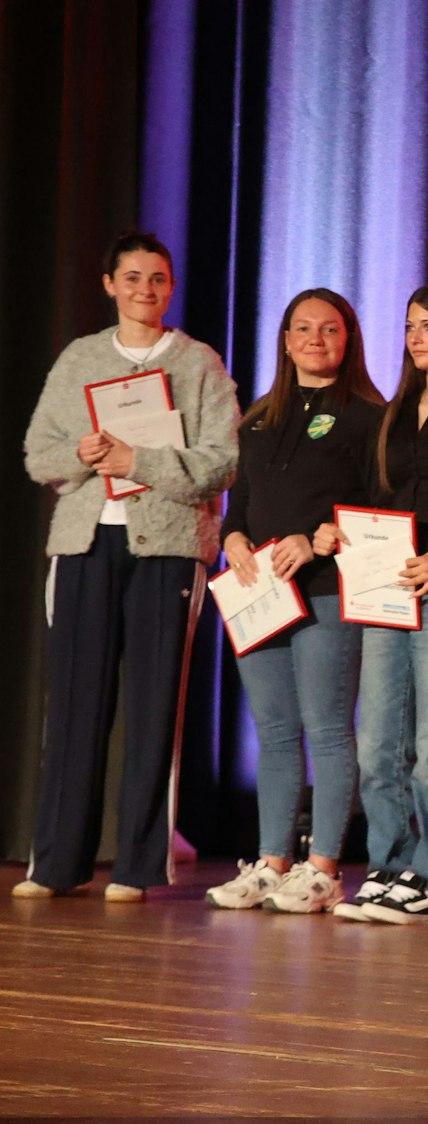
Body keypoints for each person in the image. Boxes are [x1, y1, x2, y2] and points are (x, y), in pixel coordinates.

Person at [18, 232, 239, 902]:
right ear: (109, 284)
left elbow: (222, 462)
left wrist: (136, 463)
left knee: (152, 709)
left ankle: (140, 865)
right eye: (134, 278)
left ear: (171, 288)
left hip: (166, 547)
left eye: (159, 280)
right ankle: (55, 863)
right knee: (75, 707)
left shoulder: (198, 362)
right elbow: (38, 456)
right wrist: (85, 455)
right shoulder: (80, 358)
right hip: (86, 544)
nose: (147, 290)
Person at [313, 282, 428, 924]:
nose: (415, 336)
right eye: (409, 325)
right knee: (378, 743)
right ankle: (387, 869)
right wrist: (343, 533)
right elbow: (375, 495)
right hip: (388, 589)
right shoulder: (395, 410)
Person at [202, 289, 382, 914]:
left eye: (329, 329)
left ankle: (324, 867)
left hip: (328, 591)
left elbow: (380, 508)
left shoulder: (367, 417)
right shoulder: (257, 419)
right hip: (262, 596)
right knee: (275, 732)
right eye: (302, 329)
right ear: (284, 340)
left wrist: (319, 538)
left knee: (328, 730)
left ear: (348, 338)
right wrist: (233, 538)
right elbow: (240, 503)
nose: (315, 339)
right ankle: (271, 861)